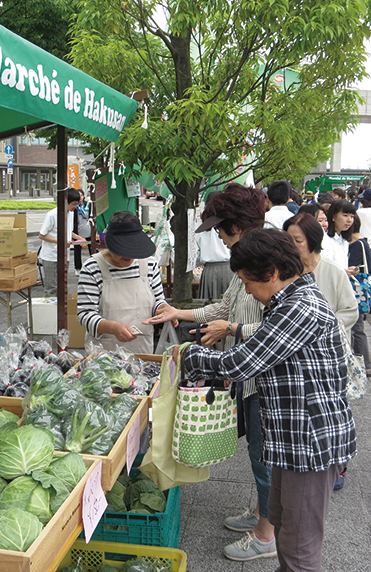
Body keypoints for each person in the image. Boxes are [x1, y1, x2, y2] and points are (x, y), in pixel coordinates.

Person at [178, 229, 356, 572]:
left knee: (299, 546)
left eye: (247, 281)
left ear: (271, 273)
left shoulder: (299, 307)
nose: (245, 289)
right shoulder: (288, 301)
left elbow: (241, 362)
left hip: (310, 444)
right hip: (294, 441)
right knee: (282, 521)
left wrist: (190, 355)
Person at [142, 184, 272, 562]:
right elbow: (225, 305)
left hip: (265, 379)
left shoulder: (264, 259)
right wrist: (177, 314)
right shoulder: (243, 260)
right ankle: (264, 514)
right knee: (255, 450)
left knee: (263, 454)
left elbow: (278, 328)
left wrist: (230, 330)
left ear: (239, 223)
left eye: (221, 227)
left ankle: (267, 535)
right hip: (246, 376)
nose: (218, 234)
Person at [77, 211, 168, 353]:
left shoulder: (149, 264)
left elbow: (158, 300)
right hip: (105, 352)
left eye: (133, 250)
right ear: (108, 242)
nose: (129, 256)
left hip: (142, 349)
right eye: (122, 249)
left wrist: (164, 309)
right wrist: (112, 327)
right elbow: (85, 313)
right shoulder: (93, 268)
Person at [38, 187, 83, 296]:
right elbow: (42, 235)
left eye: (77, 204)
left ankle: (61, 312)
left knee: (62, 287)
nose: (75, 207)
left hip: (64, 256)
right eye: (74, 204)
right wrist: (60, 242)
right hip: (50, 257)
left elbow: (68, 231)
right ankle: (51, 312)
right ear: (65, 201)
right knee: (51, 289)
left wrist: (79, 238)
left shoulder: (71, 213)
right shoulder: (52, 215)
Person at [348, 214, 371, 379]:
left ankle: (364, 365)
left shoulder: (356, 245)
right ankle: (365, 365)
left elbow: (354, 269)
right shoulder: (363, 241)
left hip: (355, 291)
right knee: (358, 328)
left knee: (357, 328)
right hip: (360, 292)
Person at [196, 193, 233, 300]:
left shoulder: (201, 227)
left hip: (210, 271)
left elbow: (196, 255)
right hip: (228, 269)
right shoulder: (228, 223)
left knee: (209, 303)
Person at [320, 199, 357, 270]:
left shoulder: (344, 241)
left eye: (352, 216)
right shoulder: (325, 239)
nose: (349, 220)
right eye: (345, 215)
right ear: (334, 217)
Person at [73, 189, 92, 274]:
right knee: (77, 250)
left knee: (92, 249)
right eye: (78, 195)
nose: (80, 197)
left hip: (88, 230)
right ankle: (77, 268)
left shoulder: (88, 205)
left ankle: (93, 265)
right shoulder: (74, 207)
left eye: (81, 195)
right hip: (78, 231)